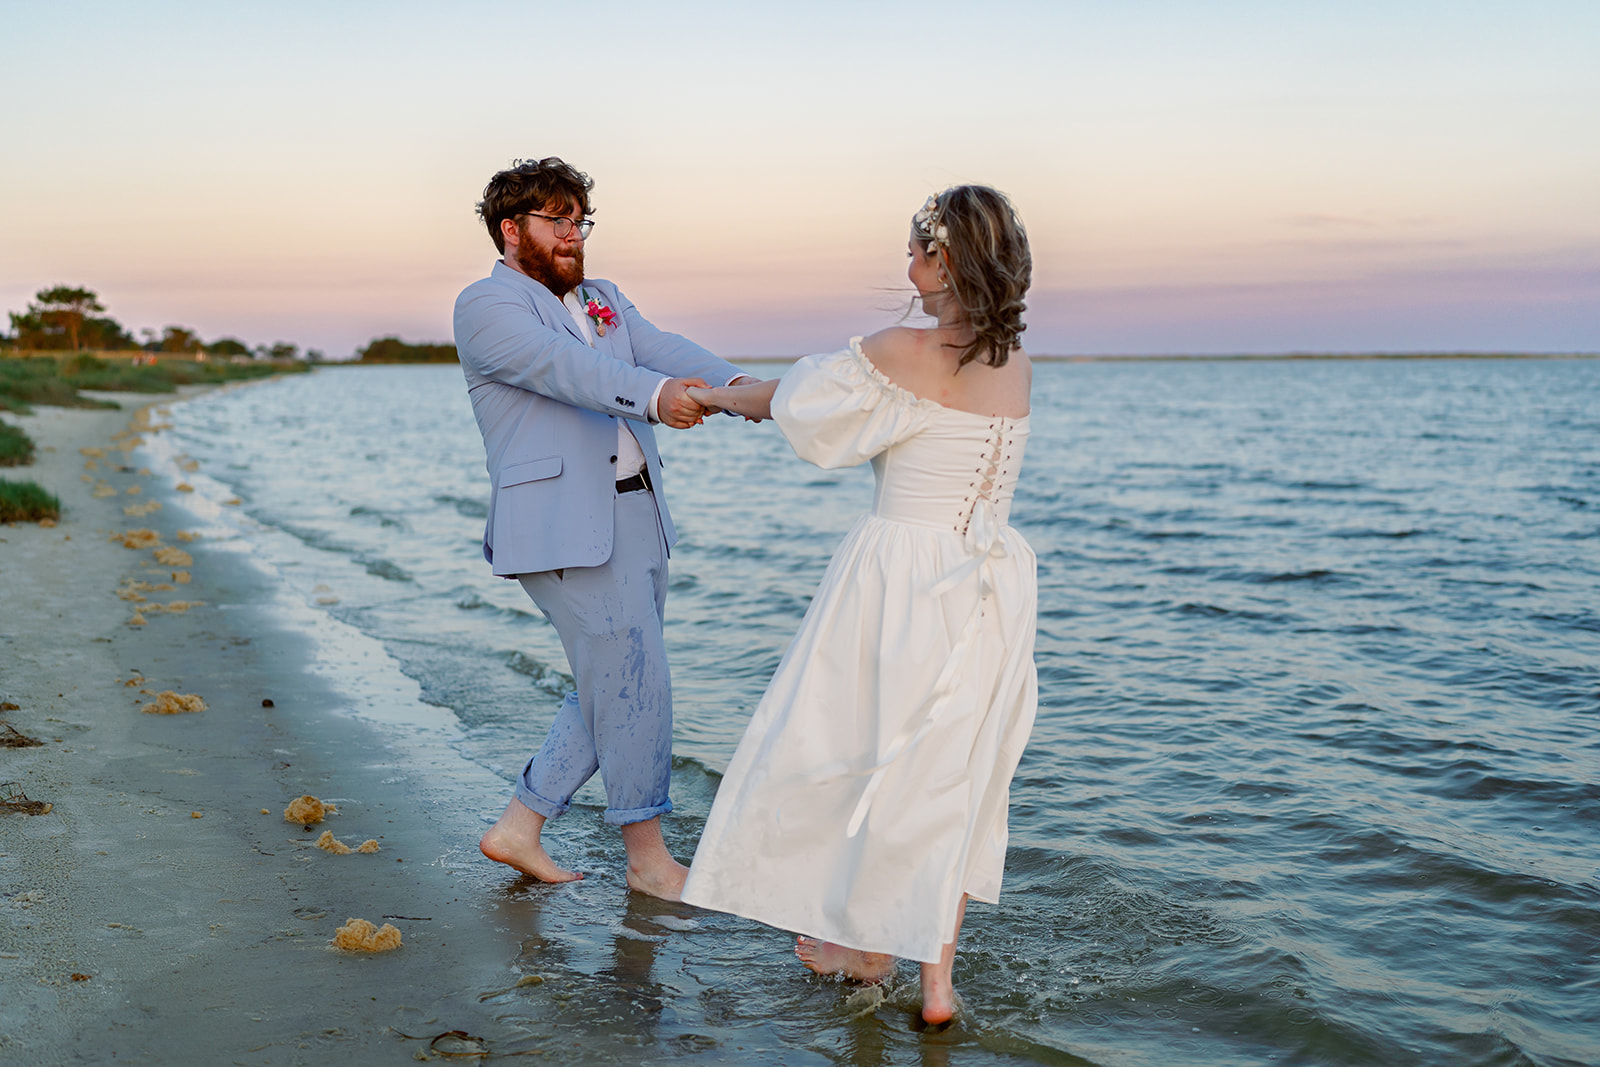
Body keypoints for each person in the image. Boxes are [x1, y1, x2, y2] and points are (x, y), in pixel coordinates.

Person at [679, 185, 1037, 1024]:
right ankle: (935, 983)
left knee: (849, 749)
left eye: (916, 251)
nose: (906, 266)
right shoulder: (1013, 361)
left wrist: (721, 395)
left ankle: (859, 941)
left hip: (902, 581)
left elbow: (798, 403)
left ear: (945, 260)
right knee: (952, 777)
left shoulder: (906, 350)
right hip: (990, 587)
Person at [454, 158, 752, 901]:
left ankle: (519, 826)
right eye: (556, 220)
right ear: (510, 229)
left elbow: (663, 347)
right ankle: (649, 860)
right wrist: (656, 398)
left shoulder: (603, 298)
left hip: (637, 514)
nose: (572, 234)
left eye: (579, 219)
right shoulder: (486, 307)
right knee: (636, 679)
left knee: (614, 679)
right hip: (560, 526)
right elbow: (566, 370)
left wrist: (743, 390)